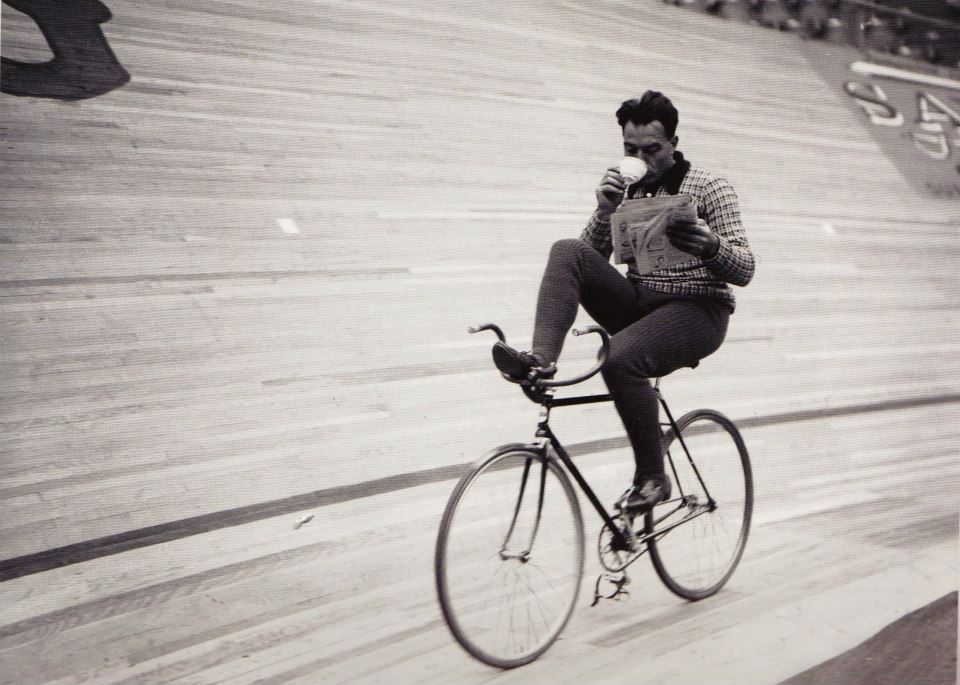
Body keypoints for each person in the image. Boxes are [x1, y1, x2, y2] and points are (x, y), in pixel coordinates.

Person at [492, 90, 755, 513]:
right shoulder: (625, 188)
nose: (642, 159)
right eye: (631, 150)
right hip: (641, 299)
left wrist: (711, 246)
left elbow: (745, 269)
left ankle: (652, 477)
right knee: (565, 249)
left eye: (653, 150)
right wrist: (603, 211)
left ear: (672, 143)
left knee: (618, 360)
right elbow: (584, 264)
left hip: (699, 310)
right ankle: (540, 359)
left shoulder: (710, 187)